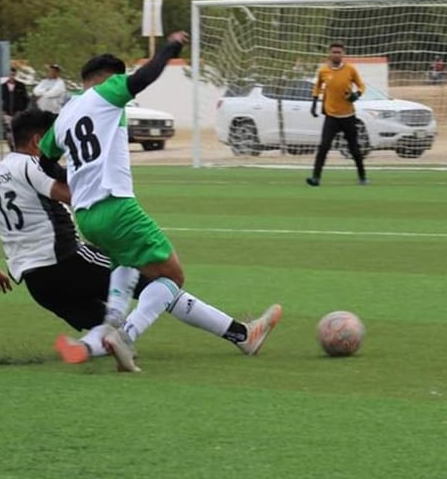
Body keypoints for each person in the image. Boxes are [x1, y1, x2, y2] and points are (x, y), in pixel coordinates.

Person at [37, 33, 282, 372]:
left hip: (86, 216)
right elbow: (146, 75)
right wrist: (171, 47)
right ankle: (126, 335)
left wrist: (76, 180)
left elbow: (44, 160)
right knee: (171, 278)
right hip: (116, 206)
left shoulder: (66, 113)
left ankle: (238, 335)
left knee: (130, 266)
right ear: (107, 77)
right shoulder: (106, 94)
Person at [0, 108, 282, 368]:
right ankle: (242, 335)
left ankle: (92, 346)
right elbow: (70, 196)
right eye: (53, 141)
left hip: (38, 284)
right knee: (162, 282)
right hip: (68, 260)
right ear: (38, 140)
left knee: (108, 324)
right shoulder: (34, 166)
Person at [306, 42, 368, 187]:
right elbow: (317, 87)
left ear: (343, 54)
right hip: (331, 116)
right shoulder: (323, 71)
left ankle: (362, 176)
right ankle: (315, 178)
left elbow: (361, 85)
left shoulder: (350, 69)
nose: (336, 54)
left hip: (347, 115)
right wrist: (314, 103)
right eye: (334, 52)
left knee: (354, 148)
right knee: (323, 146)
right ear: (329, 54)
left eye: (339, 52)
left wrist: (356, 95)